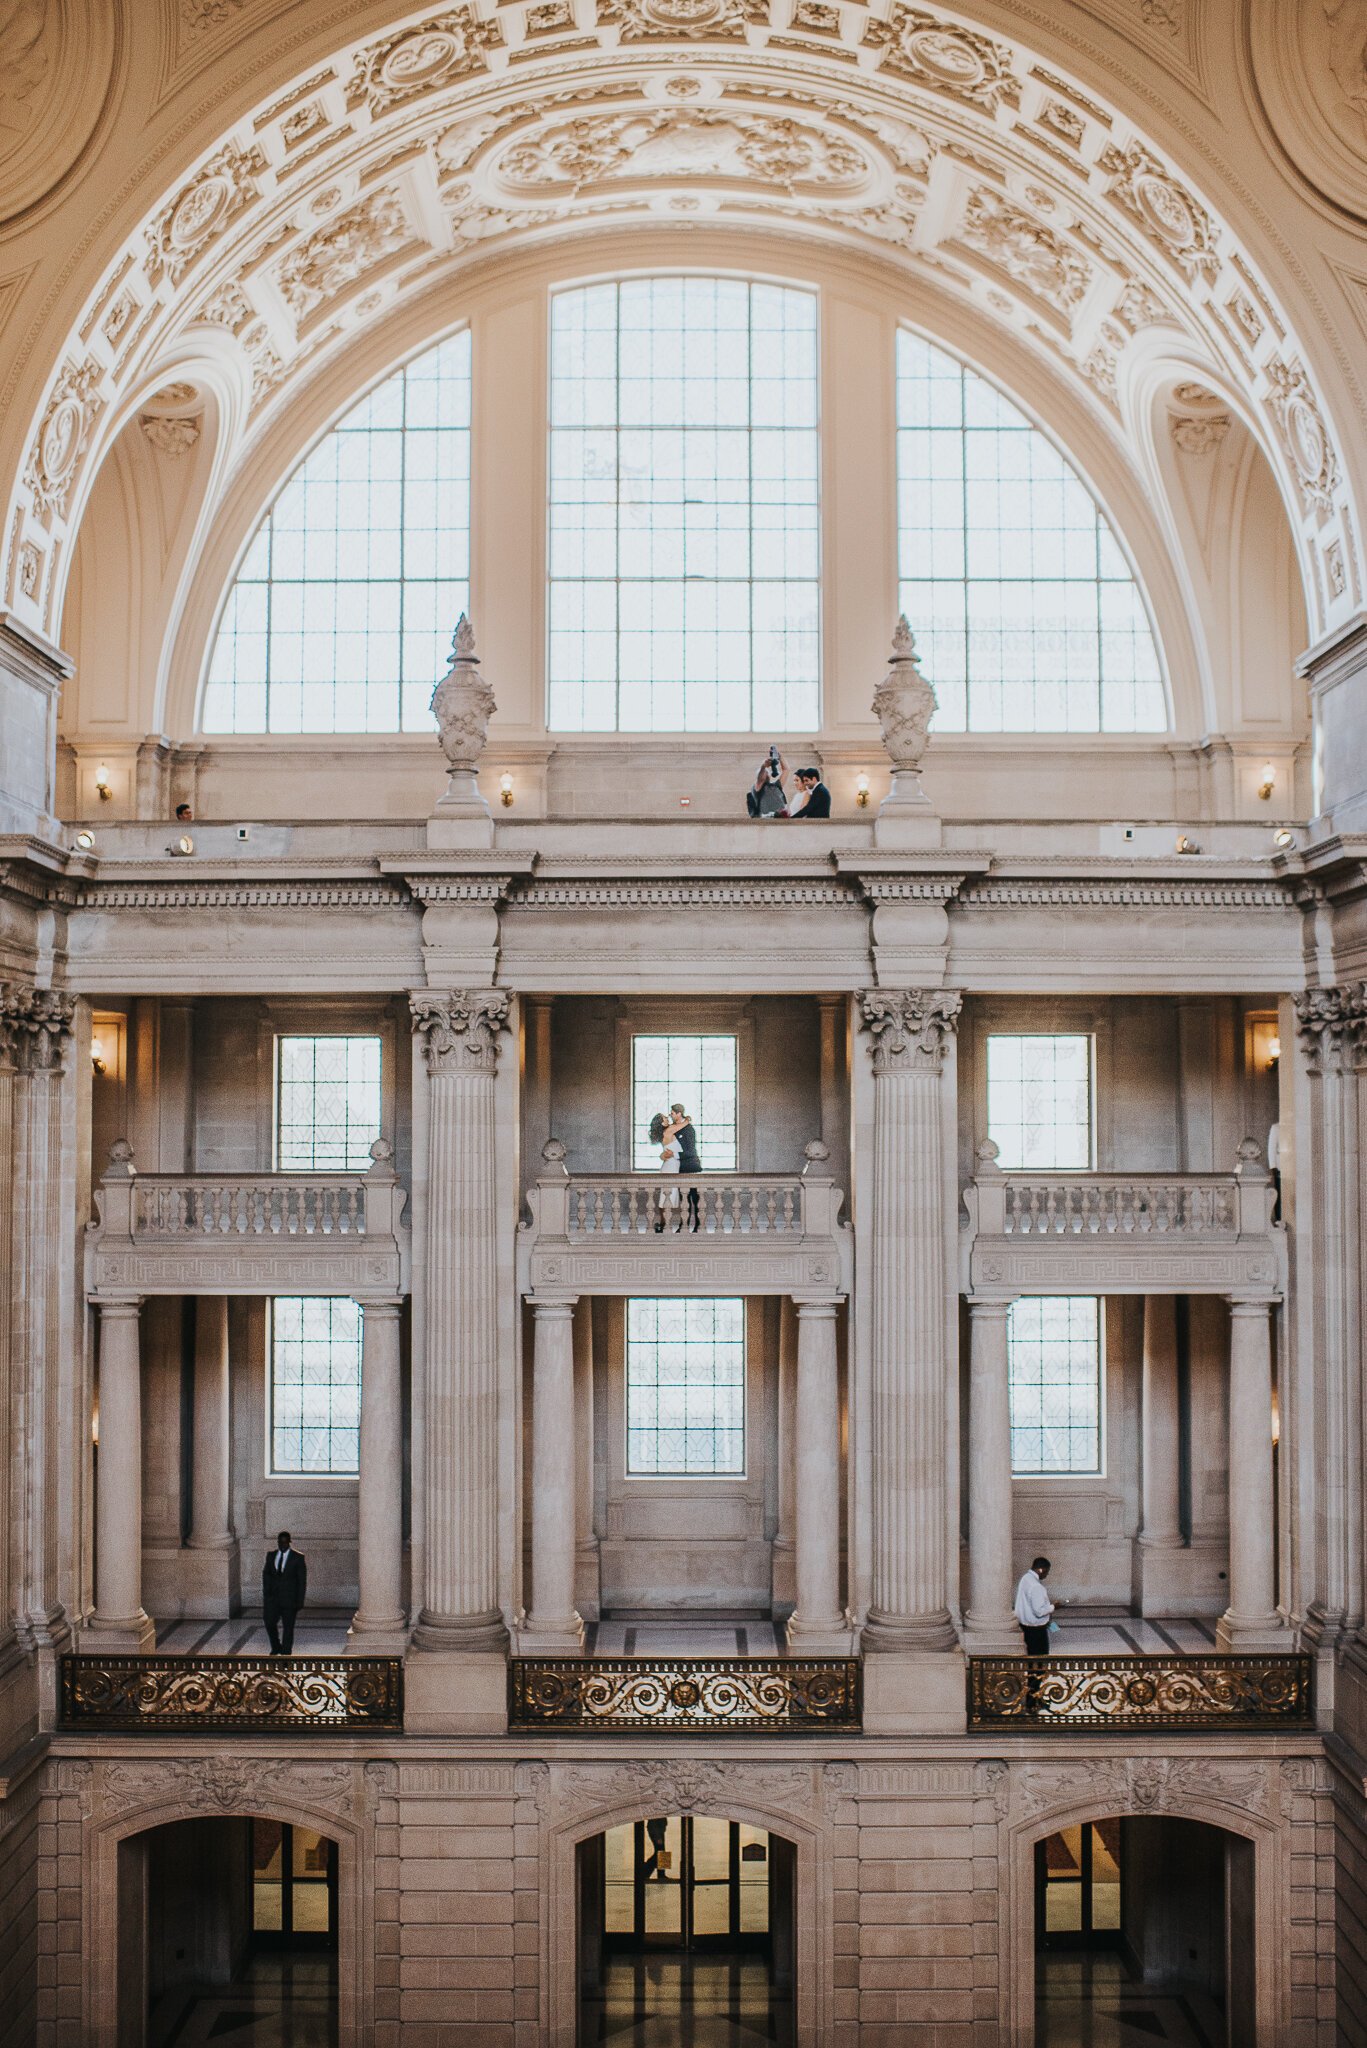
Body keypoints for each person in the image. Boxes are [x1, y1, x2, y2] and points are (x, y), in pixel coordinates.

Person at [263, 1529, 308, 1655]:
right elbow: (266, 1574)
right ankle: (276, 1646)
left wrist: (300, 1601)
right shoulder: (271, 1556)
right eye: (280, 1543)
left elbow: (301, 1581)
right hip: (273, 1599)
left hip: (289, 1600)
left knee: (288, 1628)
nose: (282, 1545)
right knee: (269, 1622)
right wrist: (267, 1594)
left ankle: (286, 1653)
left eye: (284, 1543)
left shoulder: (298, 1558)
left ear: (289, 1542)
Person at [1014, 1555, 1054, 1656]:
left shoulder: (1025, 1578)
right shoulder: (1036, 1586)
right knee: (1041, 1655)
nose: (1047, 1575)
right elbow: (1039, 1612)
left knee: (1031, 1654)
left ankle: (1033, 1671)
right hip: (1036, 1629)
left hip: (1025, 1625)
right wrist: (1053, 1607)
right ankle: (1039, 1672)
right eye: (1047, 1571)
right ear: (1041, 1569)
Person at [649, 1109, 682, 1232]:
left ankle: (663, 1224)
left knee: (667, 1197)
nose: (667, 1118)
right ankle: (664, 1225)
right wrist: (687, 1119)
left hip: (671, 1165)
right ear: (661, 1123)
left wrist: (663, 1155)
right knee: (667, 1197)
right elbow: (682, 1124)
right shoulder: (668, 1132)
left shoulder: (666, 1132)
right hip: (671, 1167)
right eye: (665, 1118)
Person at [671, 1102, 702, 1232]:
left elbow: (690, 1150)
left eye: (672, 1113)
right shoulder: (675, 1128)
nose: (671, 1115)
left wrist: (674, 1153)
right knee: (684, 1199)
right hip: (681, 1168)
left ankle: (698, 1226)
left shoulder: (689, 1129)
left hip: (691, 1167)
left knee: (695, 1198)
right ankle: (683, 1225)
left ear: (679, 1113)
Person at [746, 747, 789, 818]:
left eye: (767, 772)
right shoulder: (757, 788)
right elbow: (760, 778)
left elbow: (786, 770)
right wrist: (763, 766)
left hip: (780, 819)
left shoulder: (776, 786)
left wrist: (779, 756)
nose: (766, 774)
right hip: (766, 820)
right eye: (764, 772)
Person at [642, 1817, 670, 1882]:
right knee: (660, 1853)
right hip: (657, 1832)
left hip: (658, 1831)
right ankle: (647, 1871)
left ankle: (659, 1873)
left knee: (661, 1852)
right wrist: (657, 1836)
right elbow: (653, 1824)